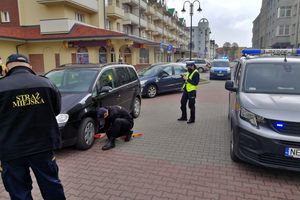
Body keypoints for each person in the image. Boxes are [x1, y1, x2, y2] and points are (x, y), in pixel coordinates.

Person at [0, 54, 66, 200]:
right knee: (51, 185)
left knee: (19, 191)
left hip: (11, 150)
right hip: (43, 146)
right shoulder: (47, 83)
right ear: (29, 67)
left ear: (7, 68)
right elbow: (55, 110)